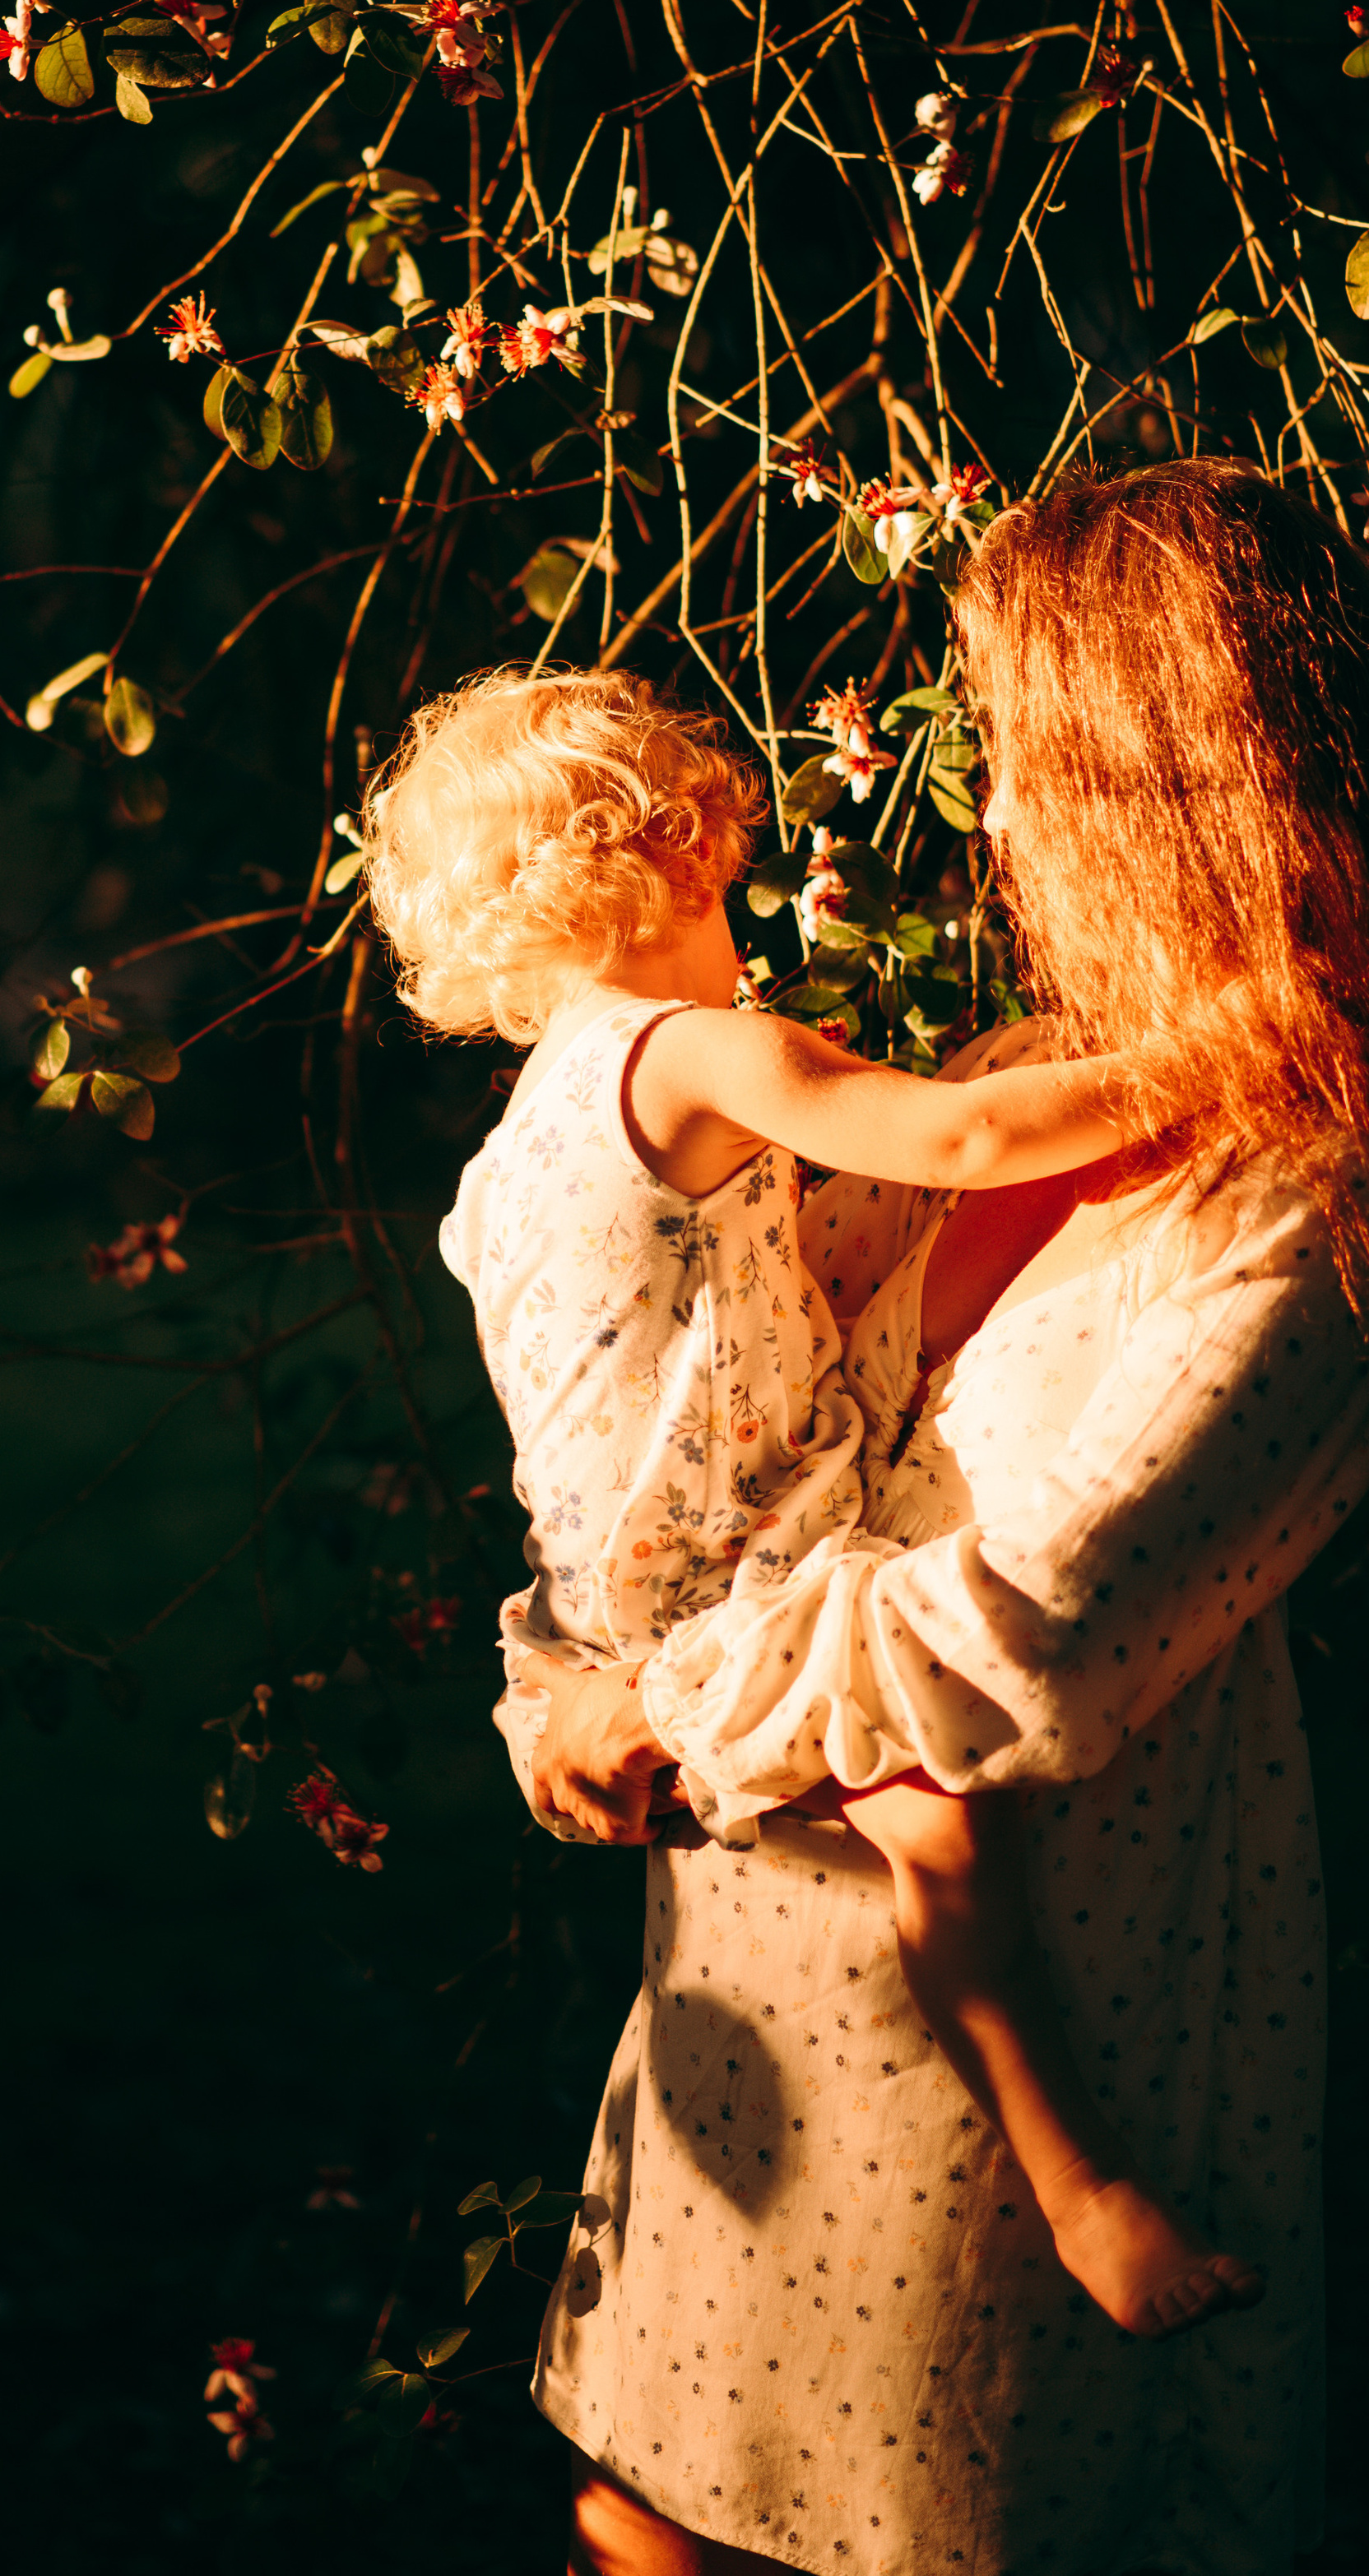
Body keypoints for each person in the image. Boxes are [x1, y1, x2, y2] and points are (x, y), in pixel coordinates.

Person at [491, 464, 1369, 2576]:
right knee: (647, 2508)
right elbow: (693, 1444)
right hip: (756, 1995)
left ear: (1154, 777)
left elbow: (1023, 1640)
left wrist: (668, 1695)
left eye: (1021, 760)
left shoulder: (1308, 1202)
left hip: (1033, 2068)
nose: (989, 826)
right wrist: (551, 1689)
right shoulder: (1038, 1072)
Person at [364, 665, 1261, 2346]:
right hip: (736, 1562)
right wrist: (1207, 1053)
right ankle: (1081, 2197)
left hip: (604, 1592)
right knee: (939, 1833)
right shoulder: (698, 1051)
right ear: (693, 829)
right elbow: (961, 1133)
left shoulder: (530, 1123)